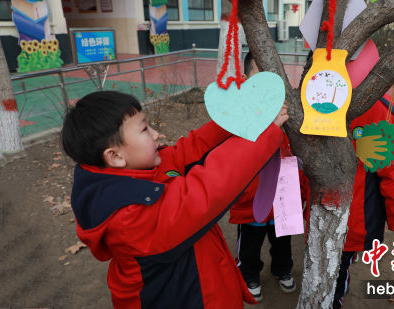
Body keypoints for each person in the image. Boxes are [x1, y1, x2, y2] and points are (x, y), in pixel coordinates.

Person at [61, 90, 289, 308]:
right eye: (144, 130)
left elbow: (193, 149)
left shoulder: (142, 169)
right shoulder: (129, 216)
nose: (155, 134)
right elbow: (206, 191)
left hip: (209, 289)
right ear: (115, 156)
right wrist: (262, 137)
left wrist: (245, 116)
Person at [229, 52, 310, 302]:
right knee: (250, 243)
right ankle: (249, 274)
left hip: (283, 197)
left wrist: (303, 192)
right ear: (245, 79)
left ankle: (282, 269)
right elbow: (233, 158)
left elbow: (301, 152)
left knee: (282, 241)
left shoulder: (291, 112)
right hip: (252, 198)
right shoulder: (238, 115)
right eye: (261, 76)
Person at [332, 95, 394, 309]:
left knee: (334, 264)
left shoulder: (314, 94)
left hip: (337, 209)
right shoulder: (379, 107)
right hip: (353, 215)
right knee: (337, 265)